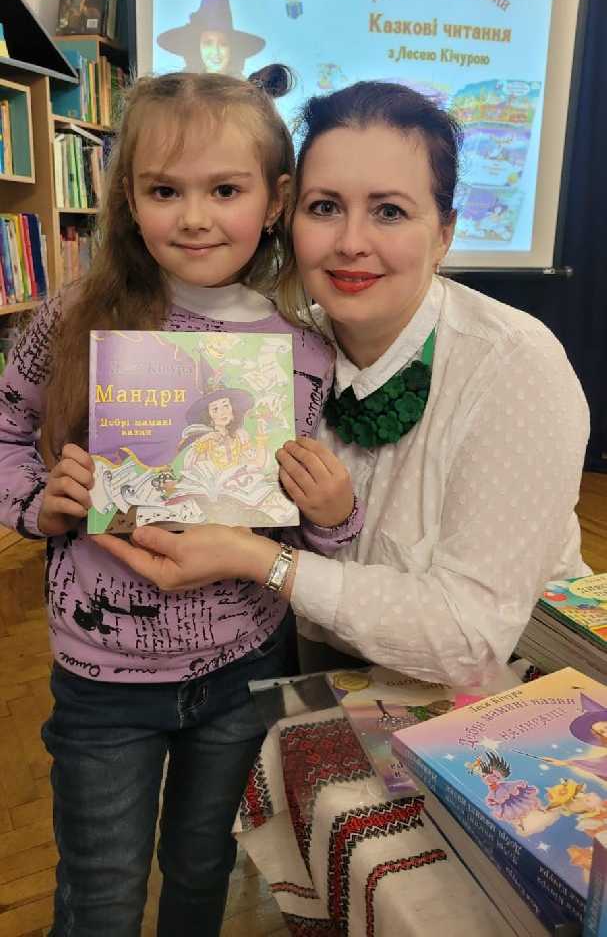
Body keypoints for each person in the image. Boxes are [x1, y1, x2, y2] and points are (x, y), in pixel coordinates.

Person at [0, 66, 362, 937]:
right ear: (128, 197)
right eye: (165, 190)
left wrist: (332, 513)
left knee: (203, 871)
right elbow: (6, 435)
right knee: (100, 894)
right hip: (103, 678)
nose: (194, 216)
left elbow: (298, 537)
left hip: (242, 667)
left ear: (275, 201)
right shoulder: (76, 315)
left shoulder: (305, 352)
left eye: (224, 190)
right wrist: (41, 504)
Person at [98, 78, 590, 692]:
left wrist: (261, 561)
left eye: (390, 211)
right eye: (325, 207)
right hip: (320, 672)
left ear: (444, 233)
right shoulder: (270, 354)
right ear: (288, 216)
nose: (351, 243)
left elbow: (471, 639)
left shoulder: (513, 365)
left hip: (508, 690)